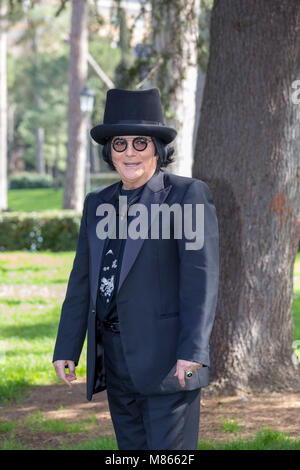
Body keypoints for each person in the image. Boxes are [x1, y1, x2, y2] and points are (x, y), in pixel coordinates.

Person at [53, 88, 219, 450]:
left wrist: (193, 354)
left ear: (158, 149)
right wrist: (67, 346)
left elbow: (200, 281)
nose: (129, 152)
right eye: (120, 143)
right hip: (115, 361)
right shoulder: (98, 203)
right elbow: (82, 279)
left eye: (140, 143)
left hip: (169, 363)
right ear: (109, 151)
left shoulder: (187, 195)